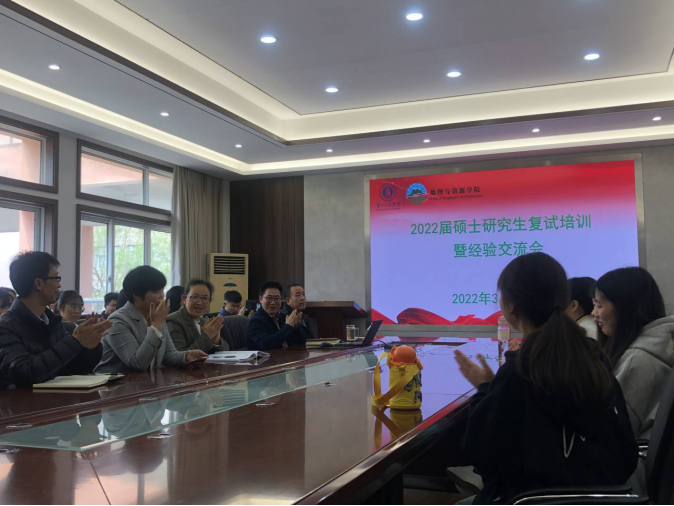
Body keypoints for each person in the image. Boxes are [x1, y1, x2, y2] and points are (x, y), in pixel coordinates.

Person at [453, 253, 637, 504]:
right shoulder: (592, 357)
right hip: (602, 495)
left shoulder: (520, 370)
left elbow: (481, 455)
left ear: (510, 305)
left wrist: (485, 388)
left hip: (533, 498)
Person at [0, 252, 112, 390]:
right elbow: (24, 374)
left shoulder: (52, 322)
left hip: (57, 399)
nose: (59, 285)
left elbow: (76, 369)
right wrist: (74, 341)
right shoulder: (5, 326)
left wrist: (90, 348)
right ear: (39, 283)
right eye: (56, 278)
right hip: (24, 403)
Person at [593, 267, 674, 440]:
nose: (594, 314)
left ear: (624, 308)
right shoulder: (663, 341)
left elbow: (612, 433)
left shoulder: (637, 360)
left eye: (599, 305)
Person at [95, 266, 207, 374]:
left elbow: (168, 354)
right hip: (113, 384)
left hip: (145, 382)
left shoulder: (157, 316)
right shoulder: (117, 321)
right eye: (156, 292)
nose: (161, 296)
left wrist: (186, 356)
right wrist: (156, 327)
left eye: (162, 291)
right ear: (137, 295)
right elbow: (137, 363)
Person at [167, 279, 228, 353]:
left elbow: (227, 350)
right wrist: (207, 336)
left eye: (205, 298)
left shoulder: (204, 321)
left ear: (209, 301)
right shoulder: (174, 320)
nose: (200, 303)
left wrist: (216, 342)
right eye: (195, 297)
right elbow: (179, 355)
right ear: (184, 299)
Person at [247, 281, 306, 351]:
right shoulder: (255, 321)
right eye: (269, 298)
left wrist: (295, 327)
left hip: (286, 356)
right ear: (260, 299)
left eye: (277, 298)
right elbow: (266, 344)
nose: (273, 302)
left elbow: (300, 342)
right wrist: (288, 327)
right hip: (265, 357)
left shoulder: (283, 316)